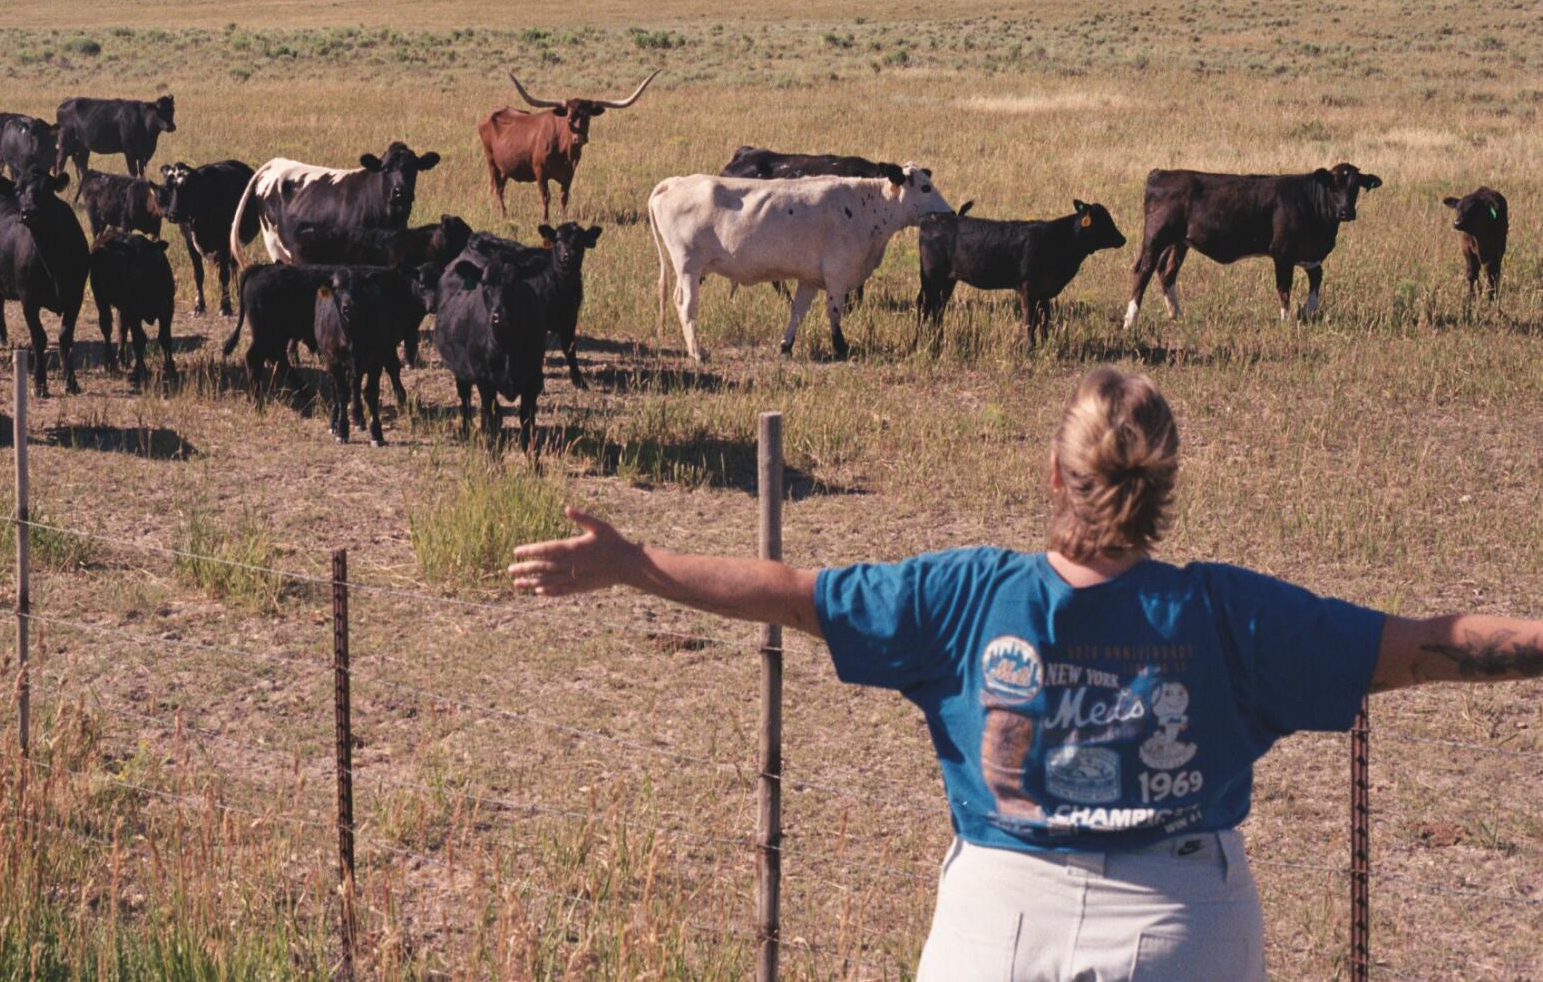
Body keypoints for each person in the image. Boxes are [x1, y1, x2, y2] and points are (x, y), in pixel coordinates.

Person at [508, 366, 1543, 980]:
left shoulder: (963, 595)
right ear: (1165, 481)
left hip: (996, 921)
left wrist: (634, 564)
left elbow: (787, 590)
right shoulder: (1229, 613)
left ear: (1053, 473)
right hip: (1183, 923)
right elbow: (1422, 644)